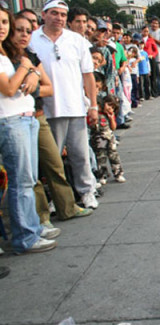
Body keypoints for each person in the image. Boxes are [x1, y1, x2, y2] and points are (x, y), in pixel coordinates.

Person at [30, 0, 100, 210]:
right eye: (54, 13)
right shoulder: (32, 40)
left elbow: (88, 76)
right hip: (47, 109)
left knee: (81, 155)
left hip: (75, 107)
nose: (59, 18)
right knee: (51, 160)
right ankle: (54, 197)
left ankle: (87, 191)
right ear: (44, 15)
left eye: (62, 14)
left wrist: (94, 106)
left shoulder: (76, 40)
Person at [0, 7, 57, 253]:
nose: (3, 27)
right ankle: (26, 236)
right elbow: (10, 89)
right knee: (21, 183)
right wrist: (26, 67)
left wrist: (30, 70)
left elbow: (44, 87)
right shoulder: (15, 59)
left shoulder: (8, 54)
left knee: (29, 180)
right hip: (11, 121)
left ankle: (31, 226)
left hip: (26, 118)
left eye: (4, 21)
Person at [91, 94, 125, 184]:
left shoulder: (109, 115)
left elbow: (113, 128)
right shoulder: (97, 114)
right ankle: (102, 175)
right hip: (98, 139)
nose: (110, 108)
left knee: (113, 156)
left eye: (113, 107)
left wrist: (111, 118)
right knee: (100, 157)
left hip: (109, 137)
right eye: (109, 105)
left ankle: (118, 173)